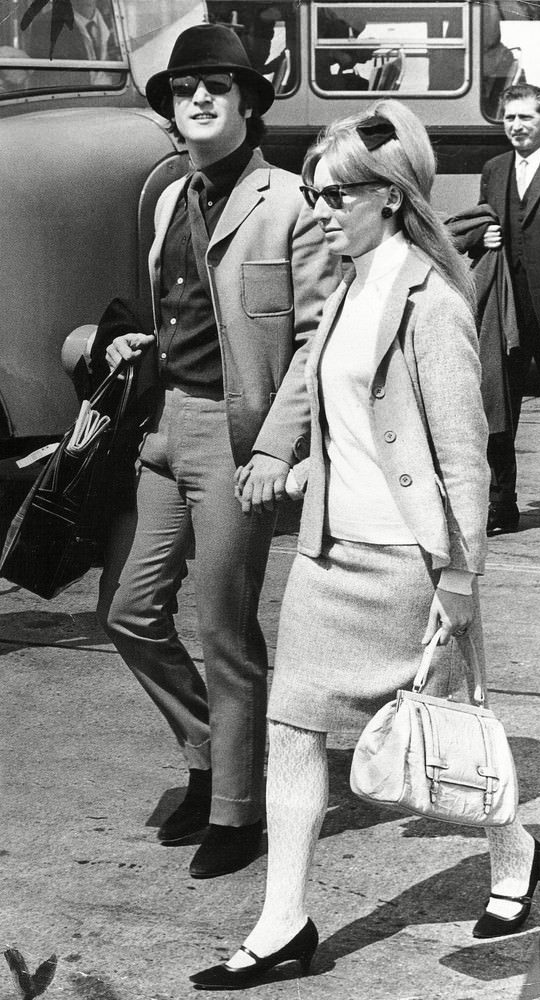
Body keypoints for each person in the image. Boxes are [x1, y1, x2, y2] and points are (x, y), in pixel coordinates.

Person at [190, 99, 540, 990]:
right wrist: (291, 463)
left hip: (406, 562)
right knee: (293, 731)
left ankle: (515, 849)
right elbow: (330, 399)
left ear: (386, 198)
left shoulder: (429, 299)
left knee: (446, 738)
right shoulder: (345, 284)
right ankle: (283, 923)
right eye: (311, 193)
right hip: (327, 555)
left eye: (333, 196)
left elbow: (465, 454)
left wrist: (459, 578)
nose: (316, 210)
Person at [96, 23, 337, 880]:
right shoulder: (169, 199)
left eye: (215, 87)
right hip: (160, 426)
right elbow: (176, 311)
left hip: (233, 442)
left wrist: (277, 447)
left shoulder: (289, 205)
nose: (197, 99)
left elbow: (316, 341)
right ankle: (208, 753)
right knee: (127, 611)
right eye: (182, 88)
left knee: (224, 630)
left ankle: (238, 809)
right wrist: (132, 349)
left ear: (246, 103)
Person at [478, 84, 540, 535]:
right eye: (509, 118)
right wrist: (484, 237)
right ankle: (502, 505)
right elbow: (482, 221)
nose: (516, 126)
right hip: (506, 316)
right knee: (498, 415)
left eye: (526, 118)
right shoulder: (494, 169)